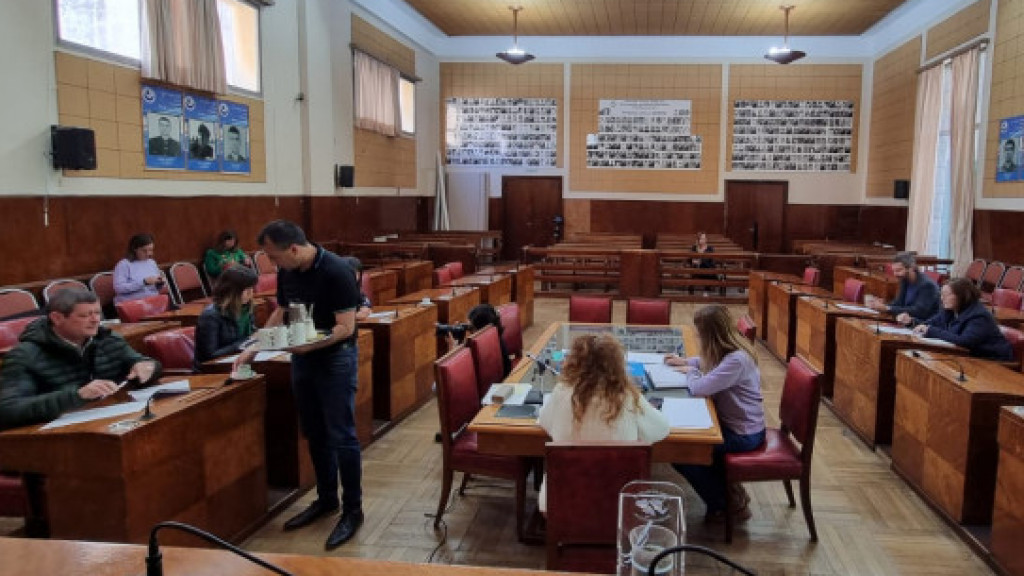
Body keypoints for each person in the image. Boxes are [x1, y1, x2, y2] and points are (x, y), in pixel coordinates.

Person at [234, 220, 363, 549]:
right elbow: (281, 311)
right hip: (303, 359)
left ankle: (353, 510)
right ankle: (326, 499)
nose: (271, 263)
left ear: (293, 249)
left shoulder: (337, 271)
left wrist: (310, 346)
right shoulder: (287, 271)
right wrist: (255, 346)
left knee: (342, 435)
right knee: (314, 432)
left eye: (273, 256)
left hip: (335, 358)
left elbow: (346, 328)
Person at [537, 333, 669, 513]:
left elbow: (544, 422)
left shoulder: (561, 392)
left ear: (573, 363)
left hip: (563, 500)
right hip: (619, 501)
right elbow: (661, 429)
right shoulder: (627, 397)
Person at [0, 289, 161, 430]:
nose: (95, 320)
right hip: (60, 435)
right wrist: (77, 395)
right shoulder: (25, 355)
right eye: (85, 315)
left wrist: (149, 367)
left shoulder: (108, 339)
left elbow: (142, 363)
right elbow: (8, 410)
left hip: (112, 419)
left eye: (97, 313)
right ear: (57, 318)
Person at [664, 304, 764, 522]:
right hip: (735, 425)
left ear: (711, 335)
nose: (698, 336)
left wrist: (691, 371)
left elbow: (700, 388)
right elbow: (709, 362)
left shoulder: (737, 360)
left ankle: (726, 505)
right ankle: (731, 492)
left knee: (683, 454)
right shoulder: (730, 351)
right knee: (686, 449)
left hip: (743, 434)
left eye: (700, 333)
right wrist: (686, 361)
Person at [913, 277, 1013, 360]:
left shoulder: (979, 316)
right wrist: (912, 322)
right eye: (941, 294)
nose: (942, 298)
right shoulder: (950, 310)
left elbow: (965, 341)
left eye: (947, 295)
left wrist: (931, 330)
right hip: (967, 356)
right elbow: (930, 323)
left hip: (991, 361)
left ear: (962, 296)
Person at [194, 267, 259, 369]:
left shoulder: (245, 308)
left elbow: (252, 334)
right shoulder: (210, 316)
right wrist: (245, 342)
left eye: (252, 289)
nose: (251, 294)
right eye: (247, 290)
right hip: (212, 369)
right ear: (232, 291)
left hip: (238, 360)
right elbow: (209, 355)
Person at [865, 252, 940, 325]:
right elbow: (898, 303)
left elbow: (919, 311)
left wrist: (887, 308)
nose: (895, 274)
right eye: (894, 271)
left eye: (898, 270)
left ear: (911, 268)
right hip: (905, 322)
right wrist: (881, 305)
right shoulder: (905, 280)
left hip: (922, 325)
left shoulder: (927, 285)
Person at [113, 233, 165, 304]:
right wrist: (143, 282)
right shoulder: (124, 264)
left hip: (152, 301)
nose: (148, 254)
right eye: (144, 251)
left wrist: (160, 283)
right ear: (134, 249)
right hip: (132, 303)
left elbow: (155, 289)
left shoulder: (151, 262)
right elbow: (119, 288)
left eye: (150, 250)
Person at [467, 304, 512, 378]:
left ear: (482, 329)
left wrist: (455, 347)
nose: (470, 332)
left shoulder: (482, 348)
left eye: (471, 328)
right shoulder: (496, 339)